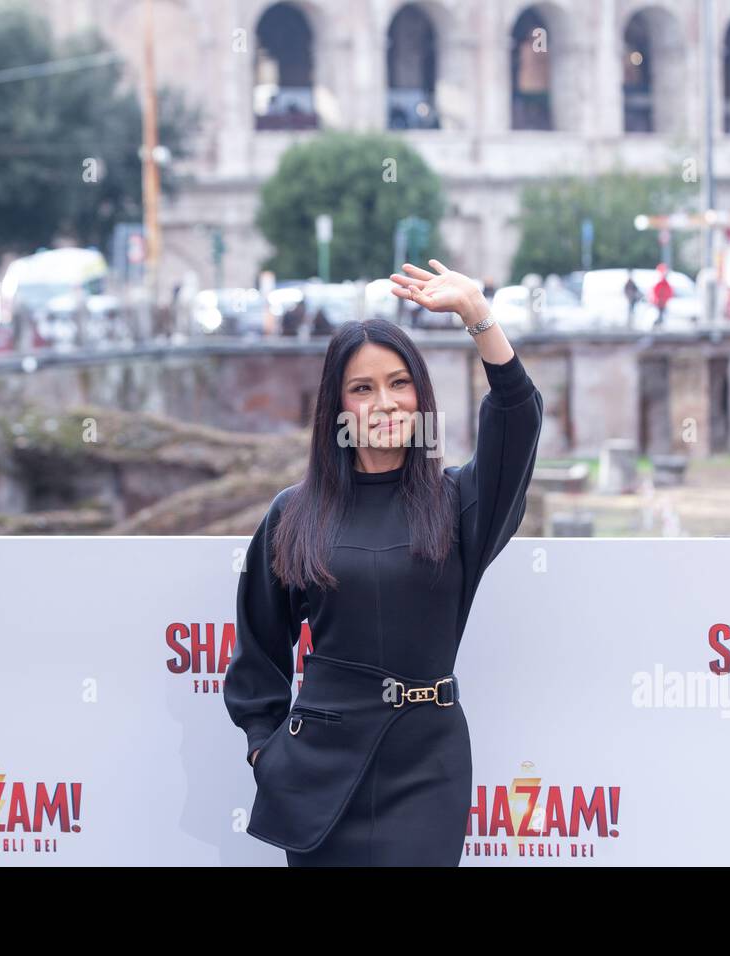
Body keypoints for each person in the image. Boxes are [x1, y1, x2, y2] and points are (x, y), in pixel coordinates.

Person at [224, 258, 544, 866]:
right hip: (318, 769)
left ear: (421, 396)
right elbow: (259, 649)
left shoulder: (460, 504)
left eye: (399, 384)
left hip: (427, 765)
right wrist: (265, 750)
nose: (385, 402)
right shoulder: (293, 513)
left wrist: (478, 315)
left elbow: (518, 423)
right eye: (363, 388)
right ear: (338, 408)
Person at [651, 263, 673, 328]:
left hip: (663, 302)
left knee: (662, 315)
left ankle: (659, 325)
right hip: (660, 302)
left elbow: (669, 292)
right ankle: (657, 325)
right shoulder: (661, 283)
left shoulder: (665, 284)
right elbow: (656, 292)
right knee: (660, 315)